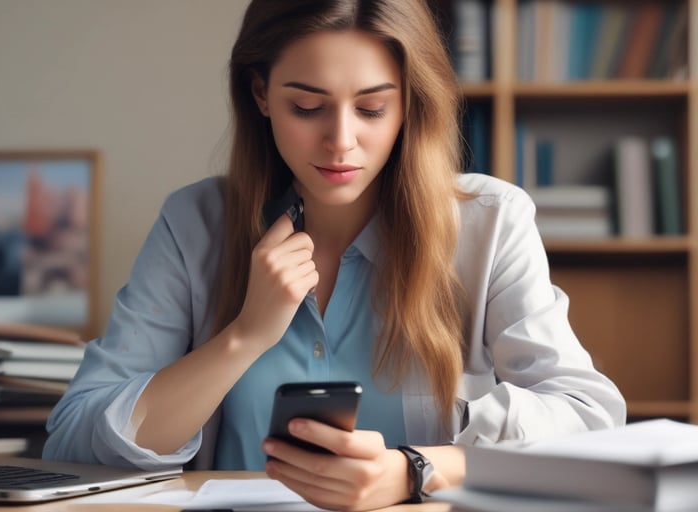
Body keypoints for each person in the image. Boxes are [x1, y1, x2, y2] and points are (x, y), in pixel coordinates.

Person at [43, 0, 626, 509]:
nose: (341, 141)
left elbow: (590, 418)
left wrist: (416, 470)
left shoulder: (490, 222)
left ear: (409, 103)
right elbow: (73, 441)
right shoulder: (195, 223)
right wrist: (244, 337)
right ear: (261, 95)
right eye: (307, 107)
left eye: (372, 109)